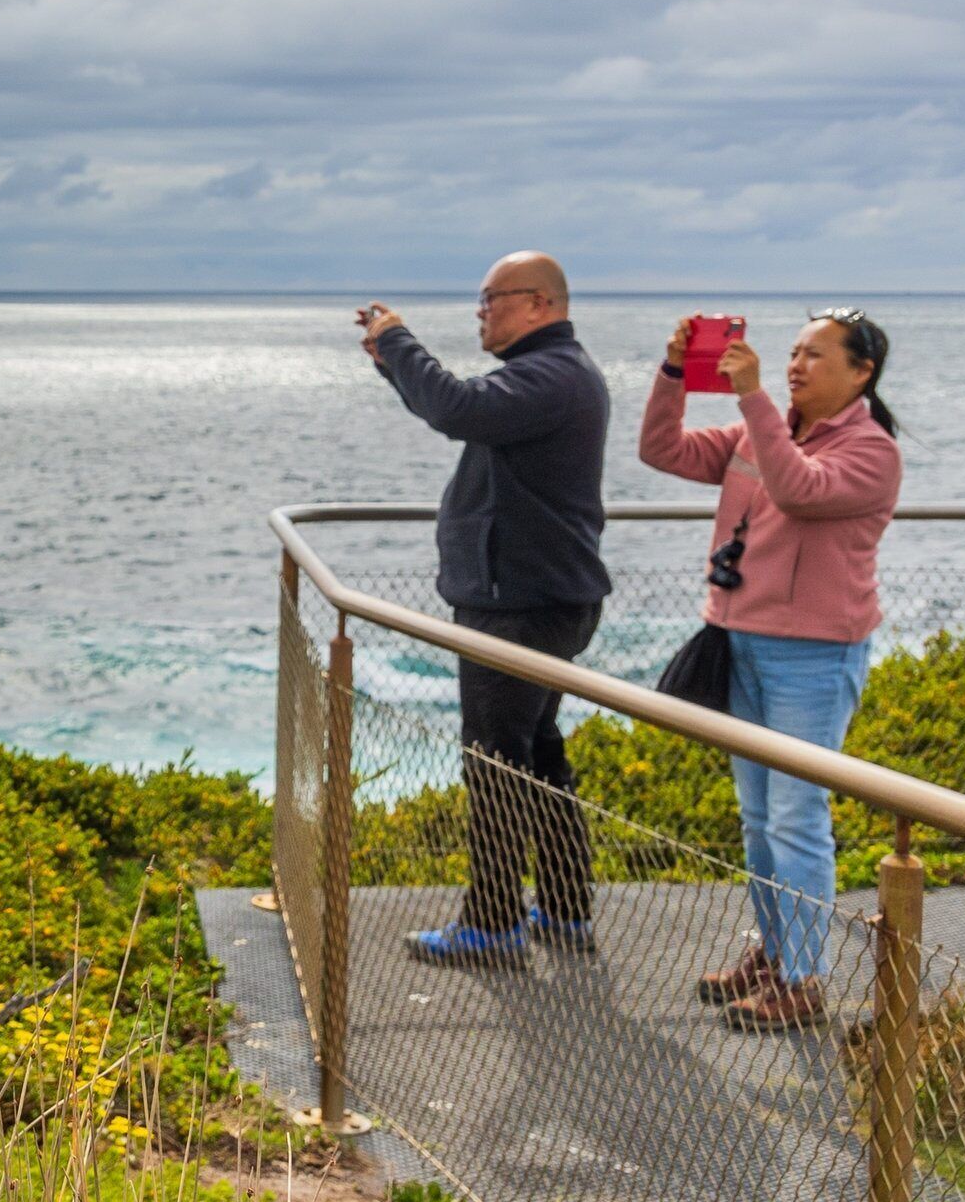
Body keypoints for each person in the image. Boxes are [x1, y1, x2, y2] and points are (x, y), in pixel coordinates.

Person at [639, 308, 903, 1032]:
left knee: (796, 818)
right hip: (742, 642)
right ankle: (778, 952)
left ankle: (804, 978)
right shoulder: (764, 431)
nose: (793, 365)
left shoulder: (871, 451)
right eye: (791, 352)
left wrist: (754, 401)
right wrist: (674, 376)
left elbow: (800, 490)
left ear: (861, 372)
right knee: (758, 819)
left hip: (813, 657)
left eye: (814, 356)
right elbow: (661, 450)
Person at [356, 253, 611, 968]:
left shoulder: (550, 375)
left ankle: (493, 926)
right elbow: (462, 412)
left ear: (538, 304)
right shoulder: (553, 374)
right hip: (542, 597)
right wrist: (392, 363)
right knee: (538, 753)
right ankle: (563, 909)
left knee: (496, 762)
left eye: (489, 300)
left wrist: (401, 342)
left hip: (521, 605)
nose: (480, 313)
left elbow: (458, 409)